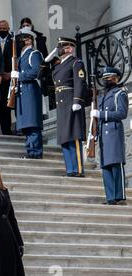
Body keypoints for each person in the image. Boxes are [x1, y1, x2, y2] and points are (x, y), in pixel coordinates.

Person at [90, 67, 129, 206]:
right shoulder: (101, 96)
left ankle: (120, 196)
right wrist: (94, 134)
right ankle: (110, 198)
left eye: (109, 78)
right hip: (103, 135)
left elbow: (122, 113)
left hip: (114, 132)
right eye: (105, 78)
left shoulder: (120, 94)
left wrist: (101, 115)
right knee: (106, 167)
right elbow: (97, 119)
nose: (107, 80)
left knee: (116, 165)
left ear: (116, 78)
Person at [52, 37, 87, 177]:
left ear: (70, 48)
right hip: (61, 104)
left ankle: (78, 168)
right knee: (64, 137)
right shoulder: (58, 65)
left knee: (74, 135)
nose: (60, 50)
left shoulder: (76, 63)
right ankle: (70, 169)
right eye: (60, 47)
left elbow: (80, 82)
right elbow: (41, 74)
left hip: (71, 102)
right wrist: (45, 62)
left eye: (63, 47)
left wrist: (77, 101)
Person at [11, 28, 44, 159]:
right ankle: (30, 150)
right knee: (26, 124)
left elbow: (36, 72)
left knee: (32, 122)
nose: (20, 41)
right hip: (22, 91)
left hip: (30, 90)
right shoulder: (21, 56)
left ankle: (35, 152)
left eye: (23, 38)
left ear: (29, 40)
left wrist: (20, 75)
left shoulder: (33, 54)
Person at [20, 17, 55, 115]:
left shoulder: (38, 43)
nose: (26, 27)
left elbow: (43, 56)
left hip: (34, 73)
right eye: (24, 26)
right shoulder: (19, 44)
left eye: (28, 25)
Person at [0, 20, 14, 135]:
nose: (2, 31)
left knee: (12, 104)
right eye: (0, 29)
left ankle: (17, 128)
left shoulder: (13, 42)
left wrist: (10, 74)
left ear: (8, 29)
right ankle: (5, 130)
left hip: (11, 78)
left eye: (4, 29)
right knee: (2, 106)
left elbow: (17, 60)